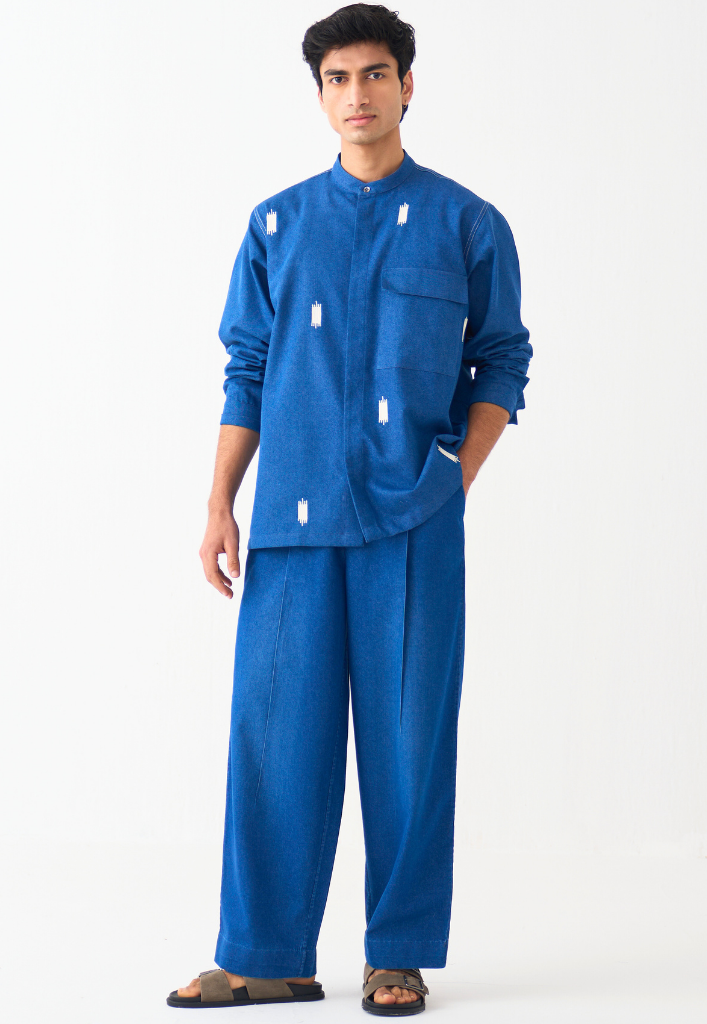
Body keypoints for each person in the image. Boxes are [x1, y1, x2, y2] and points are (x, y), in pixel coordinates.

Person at [167, 3, 532, 1015]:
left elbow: (503, 359)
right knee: (272, 738)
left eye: (375, 74)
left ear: (407, 86)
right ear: (320, 95)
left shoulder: (467, 222)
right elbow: (246, 369)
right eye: (338, 78)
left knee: (409, 741)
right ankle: (265, 954)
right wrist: (218, 502)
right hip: (290, 524)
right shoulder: (276, 224)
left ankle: (396, 951)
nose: (357, 94)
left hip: (411, 524)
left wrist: (454, 476)